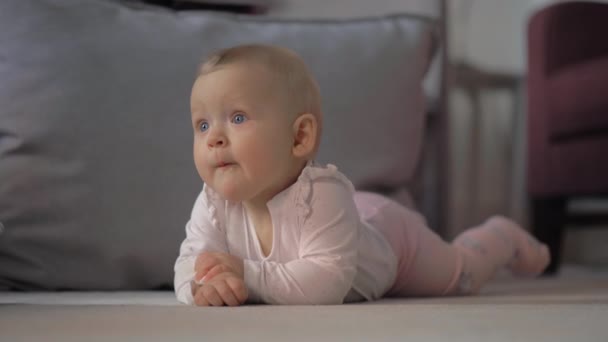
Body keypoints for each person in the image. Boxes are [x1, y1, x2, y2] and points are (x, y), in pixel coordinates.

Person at [174, 44, 550, 306]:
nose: (214, 138)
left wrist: (245, 275)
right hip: (354, 215)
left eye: (237, 117)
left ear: (299, 137)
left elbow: (325, 284)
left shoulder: (320, 194)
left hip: (392, 241)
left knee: (462, 275)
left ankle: (502, 236)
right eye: (202, 124)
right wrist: (203, 287)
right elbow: (189, 265)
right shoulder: (212, 202)